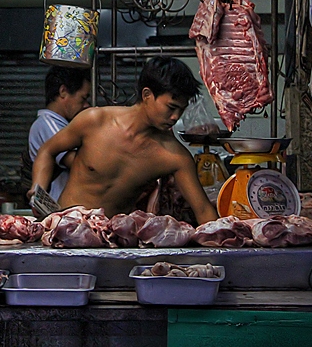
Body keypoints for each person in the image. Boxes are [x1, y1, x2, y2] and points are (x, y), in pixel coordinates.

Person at [29, 56, 217, 225]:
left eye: (181, 110)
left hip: (110, 244)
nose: (176, 117)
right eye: (171, 107)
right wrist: (38, 190)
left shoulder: (175, 157)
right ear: (147, 95)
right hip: (62, 232)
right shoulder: (95, 121)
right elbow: (47, 151)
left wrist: (224, 248)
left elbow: (202, 210)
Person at [26, 65, 92, 200]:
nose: (86, 105)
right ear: (63, 91)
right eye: (83, 98)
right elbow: (77, 162)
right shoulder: (48, 124)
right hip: (60, 209)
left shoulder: (64, 125)